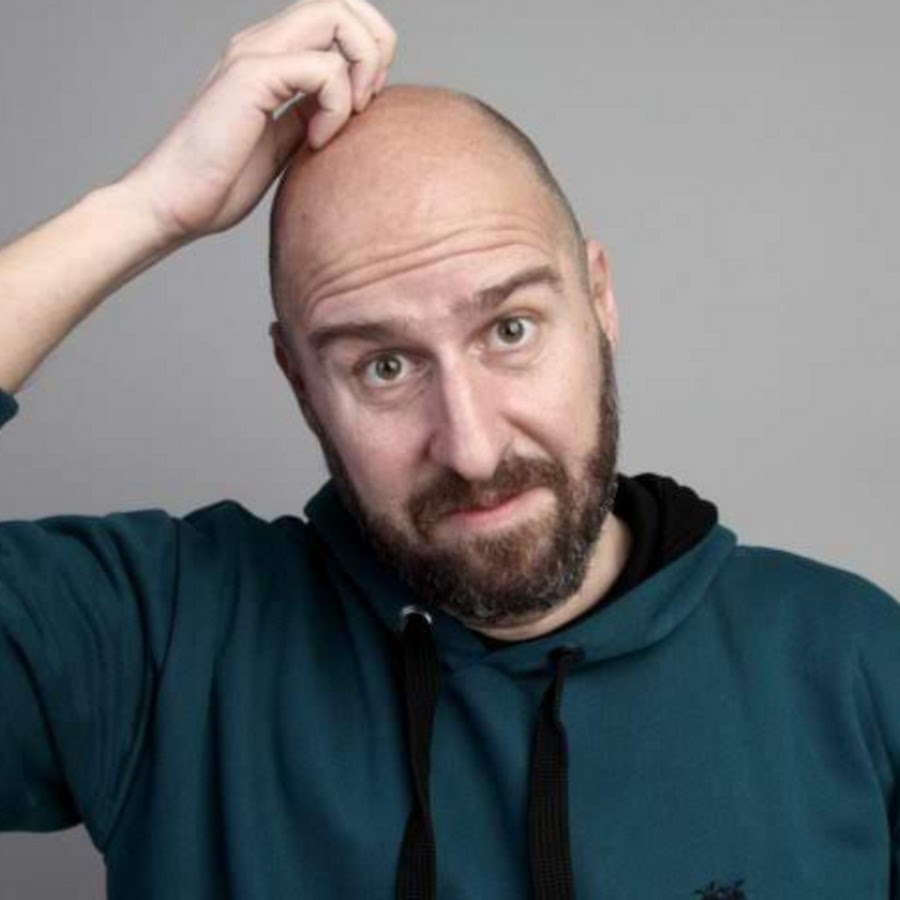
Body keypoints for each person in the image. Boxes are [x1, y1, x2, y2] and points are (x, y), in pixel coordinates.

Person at [1, 0, 897, 897]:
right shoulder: (161, 643)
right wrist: (144, 210)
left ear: (600, 301)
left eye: (510, 330)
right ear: (299, 383)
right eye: (384, 366)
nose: (471, 448)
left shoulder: (853, 660)